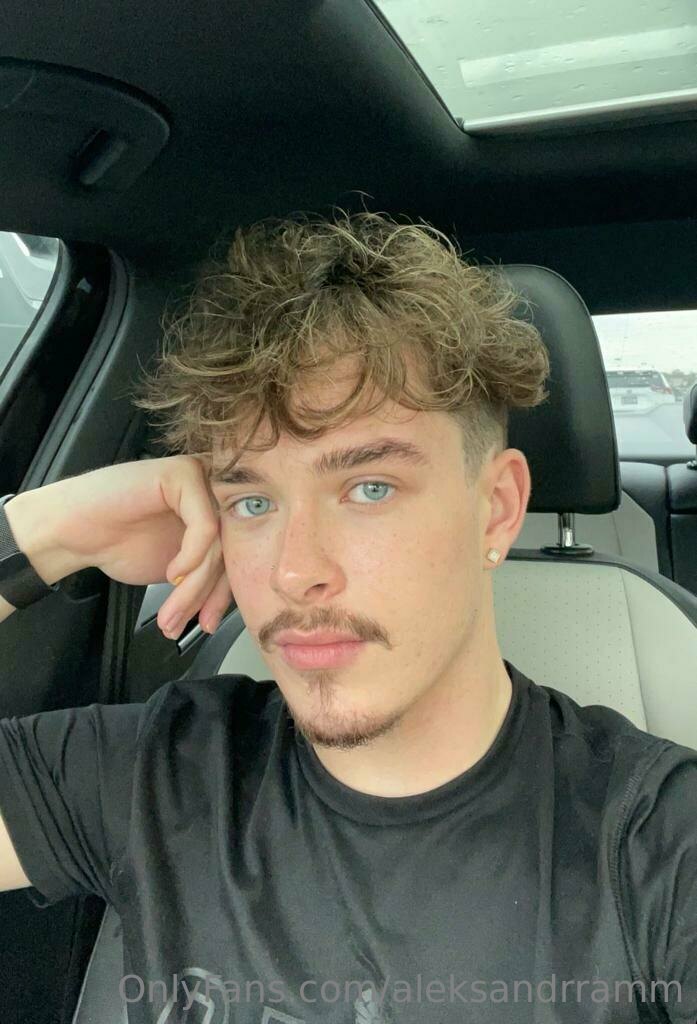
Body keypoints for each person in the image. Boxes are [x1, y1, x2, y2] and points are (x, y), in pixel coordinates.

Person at [0, 211, 694, 1024]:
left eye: (369, 488)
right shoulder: (159, 773)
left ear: (497, 508)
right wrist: (48, 533)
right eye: (252, 501)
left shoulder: (660, 842)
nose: (294, 571)